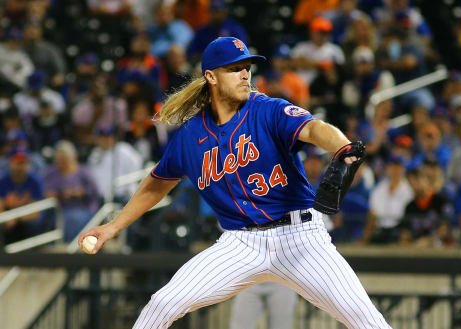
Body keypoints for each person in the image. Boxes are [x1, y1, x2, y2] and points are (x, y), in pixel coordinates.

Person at [79, 37, 392, 329]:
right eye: (234, 69)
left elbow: (314, 128)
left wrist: (342, 146)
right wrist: (113, 227)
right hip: (240, 244)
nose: (245, 74)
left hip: (301, 239)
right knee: (162, 303)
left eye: (247, 68)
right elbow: (157, 183)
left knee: (365, 318)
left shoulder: (267, 109)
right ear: (212, 77)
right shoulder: (190, 136)